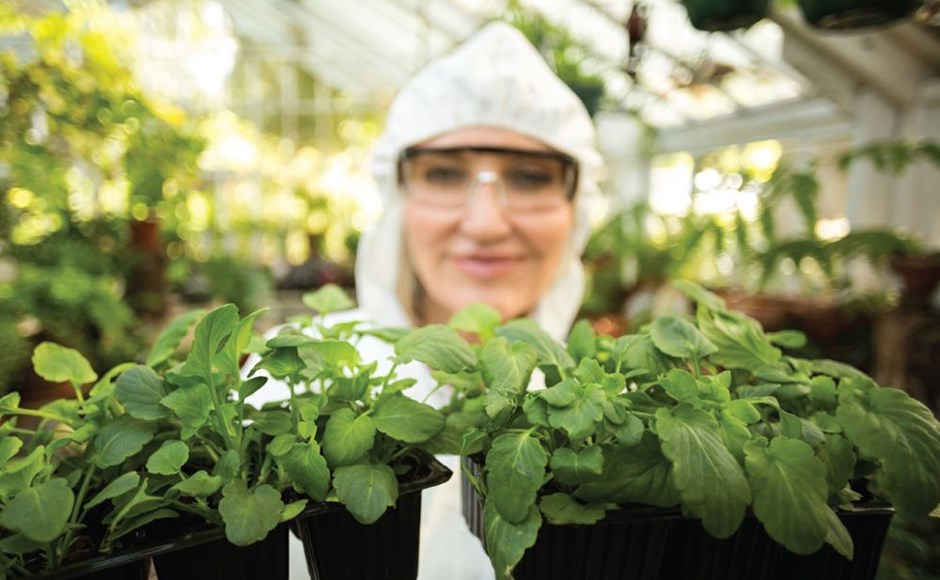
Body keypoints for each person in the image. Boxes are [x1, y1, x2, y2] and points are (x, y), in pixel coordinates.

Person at [251, 20, 604, 580]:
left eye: (532, 177)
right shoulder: (294, 372)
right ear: (398, 199)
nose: (486, 224)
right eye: (443, 173)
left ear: (578, 209)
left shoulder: (614, 402)